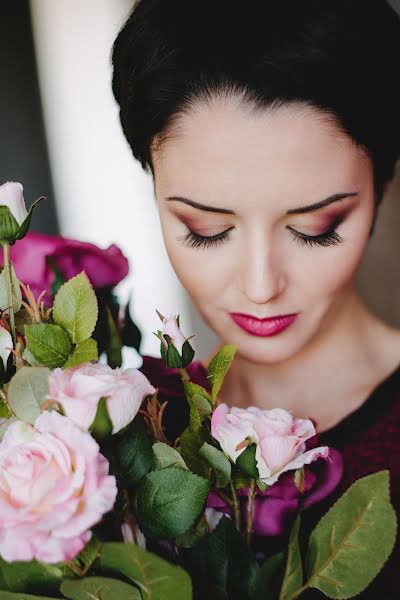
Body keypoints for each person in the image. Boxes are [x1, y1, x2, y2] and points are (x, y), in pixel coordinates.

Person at [111, 0, 400, 596]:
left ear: (382, 185)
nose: (262, 286)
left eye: (315, 227)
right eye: (206, 230)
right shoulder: (123, 434)